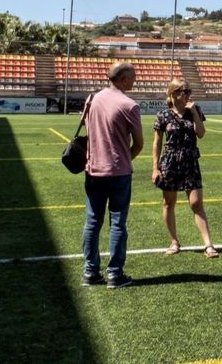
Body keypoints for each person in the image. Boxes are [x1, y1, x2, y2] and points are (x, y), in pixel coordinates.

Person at [81, 62, 144, 289]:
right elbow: (138, 144)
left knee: (92, 221)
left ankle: (90, 271)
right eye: (133, 77)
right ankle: (115, 274)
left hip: (93, 169)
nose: (135, 80)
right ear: (124, 79)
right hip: (118, 172)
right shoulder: (129, 105)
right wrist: (125, 159)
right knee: (117, 223)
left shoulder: (92, 100)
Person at [151, 78, 218, 258]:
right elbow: (157, 143)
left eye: (189, 91)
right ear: (174, 94)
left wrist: (194, 112)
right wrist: (155, 168)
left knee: (196, 203)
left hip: (190, 161)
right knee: (168, 203)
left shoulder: (195, 111)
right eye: (185, 91)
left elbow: (201, 134)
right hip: (170, 163)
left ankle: (208, 245)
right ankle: (174, 241)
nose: (189, 94)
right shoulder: (163, 115)